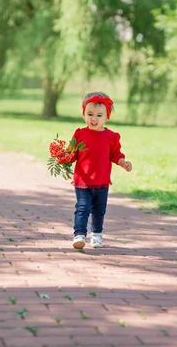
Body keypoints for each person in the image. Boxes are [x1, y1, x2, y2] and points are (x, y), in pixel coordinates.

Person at [67, 92, 132, 249]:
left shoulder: (111, 136)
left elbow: (115, 154)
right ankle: (79, 235)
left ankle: (96, 235)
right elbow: (72, 153)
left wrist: (122, 162)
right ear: (84, 114)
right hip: (83, 181)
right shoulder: (80, 134)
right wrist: (64, 156)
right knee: (82, 208)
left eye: (98, 115)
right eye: (89, 114)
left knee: (99, 210)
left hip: (102, 181)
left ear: (106, 117)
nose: (93, 118)